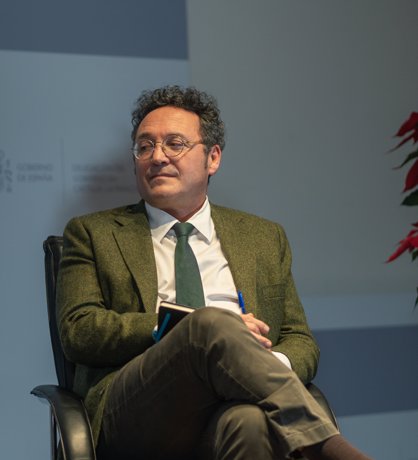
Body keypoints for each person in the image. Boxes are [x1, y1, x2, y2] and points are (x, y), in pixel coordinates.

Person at [56, 85, 371, 460]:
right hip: (140, 409)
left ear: (213, 158)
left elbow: (300, 340)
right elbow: (79, 330)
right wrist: (185, 328)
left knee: (250, 423)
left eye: (174, 144)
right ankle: (326, 448)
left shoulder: (262, 237)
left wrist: (258, 362)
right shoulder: (94, 233)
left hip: (233, 402)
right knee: (210, 324)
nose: (157, 157)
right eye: (144, 146)